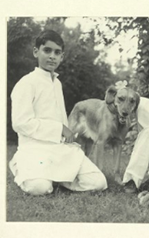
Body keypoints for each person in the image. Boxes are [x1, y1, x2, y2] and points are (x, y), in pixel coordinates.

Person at [9, 30, 107, 196]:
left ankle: (57, 177)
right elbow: (20, 123)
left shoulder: (57, 83)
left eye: (57, 52)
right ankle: (23, 169)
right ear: (36, 52)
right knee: (39, 188)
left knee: (99, 182)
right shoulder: (26, 83)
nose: (52, 56)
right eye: (47, 50)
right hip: (34, 149)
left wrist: (65, 136)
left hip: (60, 149)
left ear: (62, 57)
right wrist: (59, 128)